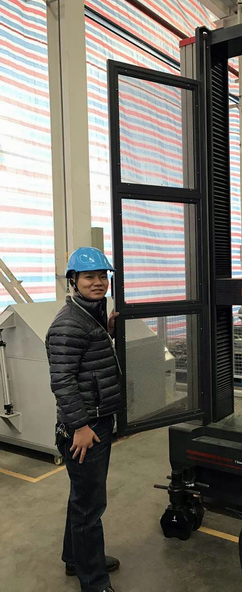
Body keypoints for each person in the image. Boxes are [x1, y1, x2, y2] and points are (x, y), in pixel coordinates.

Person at [46, 247, 122, 592]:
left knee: (82, 498)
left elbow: (87, 363)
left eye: (102, 276)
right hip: (84, 427)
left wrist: (106, 331)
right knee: (90, 507)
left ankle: (75, 558)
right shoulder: (68, 324)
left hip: (96, 420)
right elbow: (62, 382)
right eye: (89, 277)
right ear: (73, 281)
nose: (98, 283)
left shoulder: (90, 317)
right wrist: (79, 427)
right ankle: (94, 581)